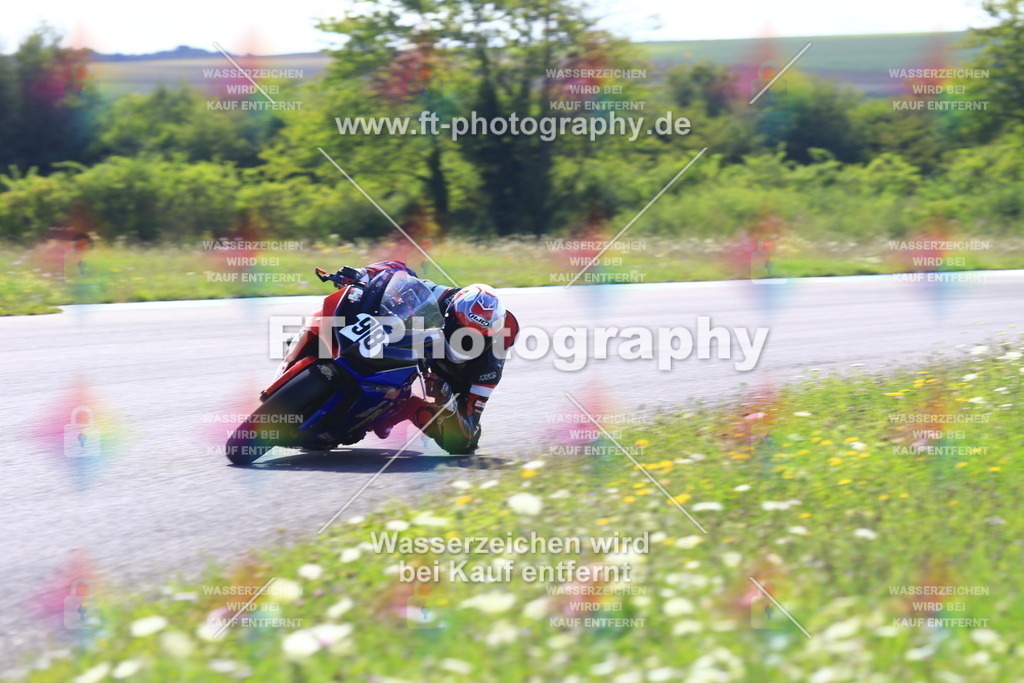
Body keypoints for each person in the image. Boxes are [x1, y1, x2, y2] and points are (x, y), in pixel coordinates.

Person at [359, 261, 519, 454]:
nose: (465, 341)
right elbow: (400, 272)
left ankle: (404, 409)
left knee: (461, 443)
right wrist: (364, 273)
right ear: (451, 315)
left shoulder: (490, 367)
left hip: (452, 380)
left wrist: (447, 398)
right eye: (462, 331)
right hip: (421, 343)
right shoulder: (442, 297)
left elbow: (468, 430)